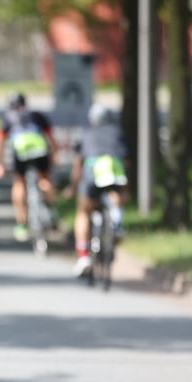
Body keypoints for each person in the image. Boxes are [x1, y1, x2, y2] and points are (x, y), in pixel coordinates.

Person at [67, 103, 129, 277]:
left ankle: (84, 256)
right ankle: (117, 224)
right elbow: (126, 160)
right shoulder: (118, 132)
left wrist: (73, 187)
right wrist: (126, 190)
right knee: (117, 195)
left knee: (84, 211)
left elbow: (78, 163)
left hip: (93, 168)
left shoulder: (86, 133)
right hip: (113, 166)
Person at [0, 93, 59, 242]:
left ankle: (21, 224)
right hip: (40, 150)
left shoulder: (8, 118)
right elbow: (52, 140)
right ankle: (52, 209)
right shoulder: (37, 115)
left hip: (20, 152)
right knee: (44, 179)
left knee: (19, 183)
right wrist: (54, 156)